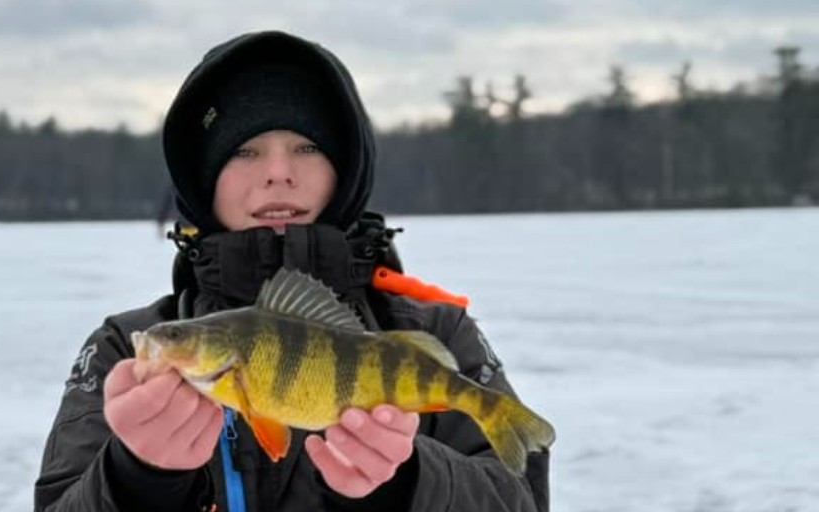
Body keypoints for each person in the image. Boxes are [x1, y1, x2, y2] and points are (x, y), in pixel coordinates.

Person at [35, 30, 550, 512]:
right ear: (202, 178)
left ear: (345, 169)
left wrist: (405, 483)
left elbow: (521, 498)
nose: (278, 172)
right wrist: (139, 477)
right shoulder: (121, 348)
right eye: (243, 150)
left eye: (306, 147)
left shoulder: (433, 331)